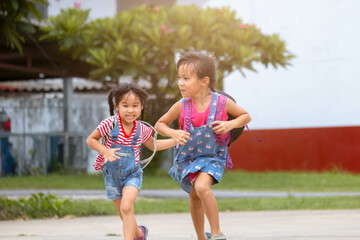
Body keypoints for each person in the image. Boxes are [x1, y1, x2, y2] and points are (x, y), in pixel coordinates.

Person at [154, 52, 251, 240]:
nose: (180, 83)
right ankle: (201, 237)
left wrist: (229, 125)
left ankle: (216, 233)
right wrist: (173, 133)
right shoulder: (182, 105)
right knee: (194, 196)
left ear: (204, 81)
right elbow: (160, 124)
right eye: (179, 78)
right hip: (188, 158)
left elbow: (245, 116)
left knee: (202, 187)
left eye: (186, 78)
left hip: (213, 156)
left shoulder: (222, 103)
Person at [86, 83, 176, 240]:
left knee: (127, 207)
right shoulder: (110, 124)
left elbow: (154, 145)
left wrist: (175, 140)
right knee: (124, 214)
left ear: (141, 107)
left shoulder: (141, 129)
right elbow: (91, 140)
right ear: (117, 106)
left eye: (135, 105)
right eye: (125, 105)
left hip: (132, 174)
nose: (130, 110)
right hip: (111, 175)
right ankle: (140, 233)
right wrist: (105, 150)